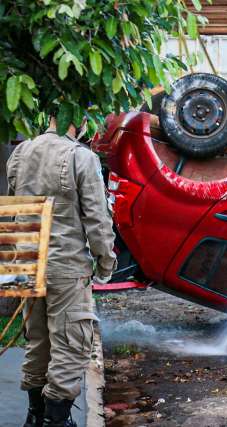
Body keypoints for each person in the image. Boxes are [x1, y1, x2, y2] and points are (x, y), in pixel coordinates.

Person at [7, 117, 117, 427]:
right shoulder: (81, 156)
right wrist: (105, 263)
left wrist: (14, 269)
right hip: (66, 267)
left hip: (26, 260)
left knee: (37, 342)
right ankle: (57, 421)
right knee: (70, 345)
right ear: (79, 120)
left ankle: (35, 417)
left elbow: (12, 210)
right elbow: (97, 219)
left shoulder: (20, 152)